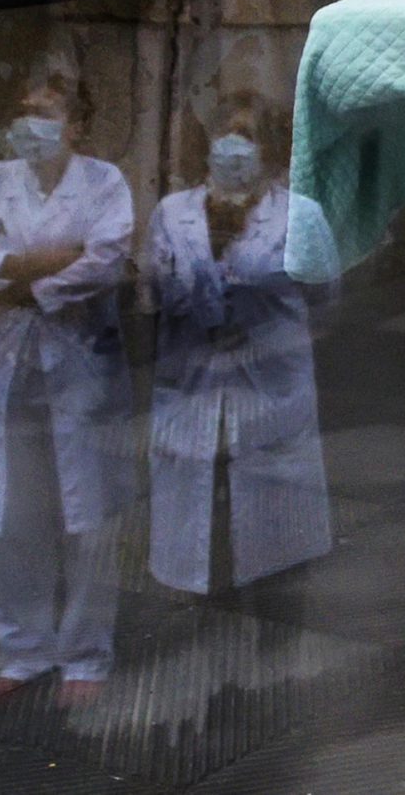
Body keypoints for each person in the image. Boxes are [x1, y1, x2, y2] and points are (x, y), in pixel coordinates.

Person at [0, 69, 134, 707]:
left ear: (76, 127)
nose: (30, 125)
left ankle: (85, 657)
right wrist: (42, 264)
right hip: (6, 370)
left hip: (79, 367)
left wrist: (10, 279)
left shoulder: (104, 183)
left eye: (45, 113)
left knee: (87, 516)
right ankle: (22, 653)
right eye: (23, 112)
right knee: (13, 514)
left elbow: (104, 262)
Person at [143, 92, 333, 595]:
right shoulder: (171, 213)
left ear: (268, 147)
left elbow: (326, 294)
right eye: (224, 133)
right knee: (198, 527)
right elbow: (156, 289)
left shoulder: (302, 216)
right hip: (192, 383)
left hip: (271, 389)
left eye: (245, 136)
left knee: (276, 548)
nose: (232, 146)